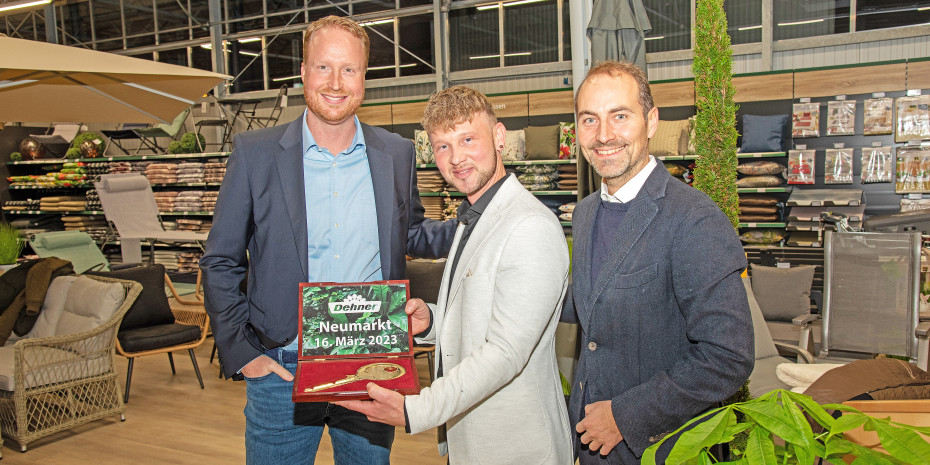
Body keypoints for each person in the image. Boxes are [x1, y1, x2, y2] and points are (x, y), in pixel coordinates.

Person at [200, 15, 455, 465]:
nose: (336, 82)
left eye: (349, 69)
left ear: (364, 78)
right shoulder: (255, 154)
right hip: (281, 365)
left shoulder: (395, 153)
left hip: (370, 361)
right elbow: (220, 260)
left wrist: (481, 219)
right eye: (323, 67)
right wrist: (243, 354)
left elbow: (411, 232)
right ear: (302, 73)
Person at [337, 86, 574, 464]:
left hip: (516, 445)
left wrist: (418, 409)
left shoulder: (530, 227)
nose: (456, 158)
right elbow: (480, 316)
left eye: (467, 139)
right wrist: (430, 320)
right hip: (470, 438)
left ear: (499, 137)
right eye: (443, 146)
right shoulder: (472, 217)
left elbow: (505, 352)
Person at [562, 60, 754, 464]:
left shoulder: (693, 218)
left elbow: (728, 354)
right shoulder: (585, 213)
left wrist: (625, 415)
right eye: (589, 120)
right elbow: (591, 308)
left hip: (662, 447)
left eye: (619, 116)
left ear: (650, 122)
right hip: (593, 445)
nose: (604, 135)